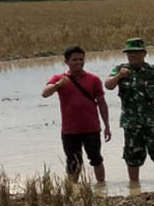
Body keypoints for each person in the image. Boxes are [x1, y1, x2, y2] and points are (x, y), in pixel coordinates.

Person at [105, 38, 154, 184]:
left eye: (136, 53)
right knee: (132, 156)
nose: (132, 56)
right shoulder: (120, 69)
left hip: (153, 121)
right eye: (129, 53)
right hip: (132, 123)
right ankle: (135, 187)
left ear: (144, 53)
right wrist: (119, 76)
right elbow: (108, 85)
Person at [41, 45, 111, 183]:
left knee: (96, 159)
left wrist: (107, 126)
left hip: (91, 128)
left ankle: (102, 187)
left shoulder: (93, 79)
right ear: (66, 62)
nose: (78, 62)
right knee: (73, 163)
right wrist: (58, 85)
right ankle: (73, 188)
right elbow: (45, 93)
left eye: (81, 59)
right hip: (70, 130)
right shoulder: (59, 78)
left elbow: (102, 103)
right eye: (74, 60)